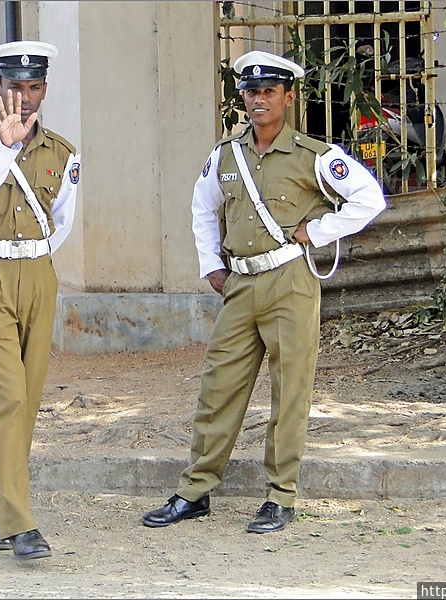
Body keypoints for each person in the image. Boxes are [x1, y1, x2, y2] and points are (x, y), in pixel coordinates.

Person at [142, 50, 386, 534]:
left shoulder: (314, 156)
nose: (258, 100)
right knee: (218, 387)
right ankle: (196, 490)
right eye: (251, 92)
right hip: (240, 283)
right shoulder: (225, 154)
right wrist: (211, 265)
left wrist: (315, 233)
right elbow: (202, 207)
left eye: (269, 91)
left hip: (289, 281)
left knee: (289, 390)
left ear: (288, 97)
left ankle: (280, 496)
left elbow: (370, 199)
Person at [0, 41, 81, 559]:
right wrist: (3, 148)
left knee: (26, 401)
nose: (22, 98)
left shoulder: (62, 152)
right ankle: (19, 524)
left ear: (44, 89)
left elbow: (62, 219)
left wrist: (34, 254)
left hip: (37, 275)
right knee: (6, 398)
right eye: (13, 86)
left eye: (33, 87)